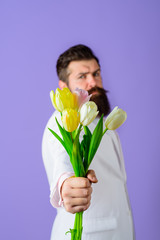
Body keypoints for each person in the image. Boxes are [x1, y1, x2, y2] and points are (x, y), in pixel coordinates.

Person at [42, 44, 135, 240]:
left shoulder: (100, 123)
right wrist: (66, 186)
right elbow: (63, 161)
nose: (93, 81)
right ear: (63, 86)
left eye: (96, 73)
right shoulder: (62, 121)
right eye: (82, 76)